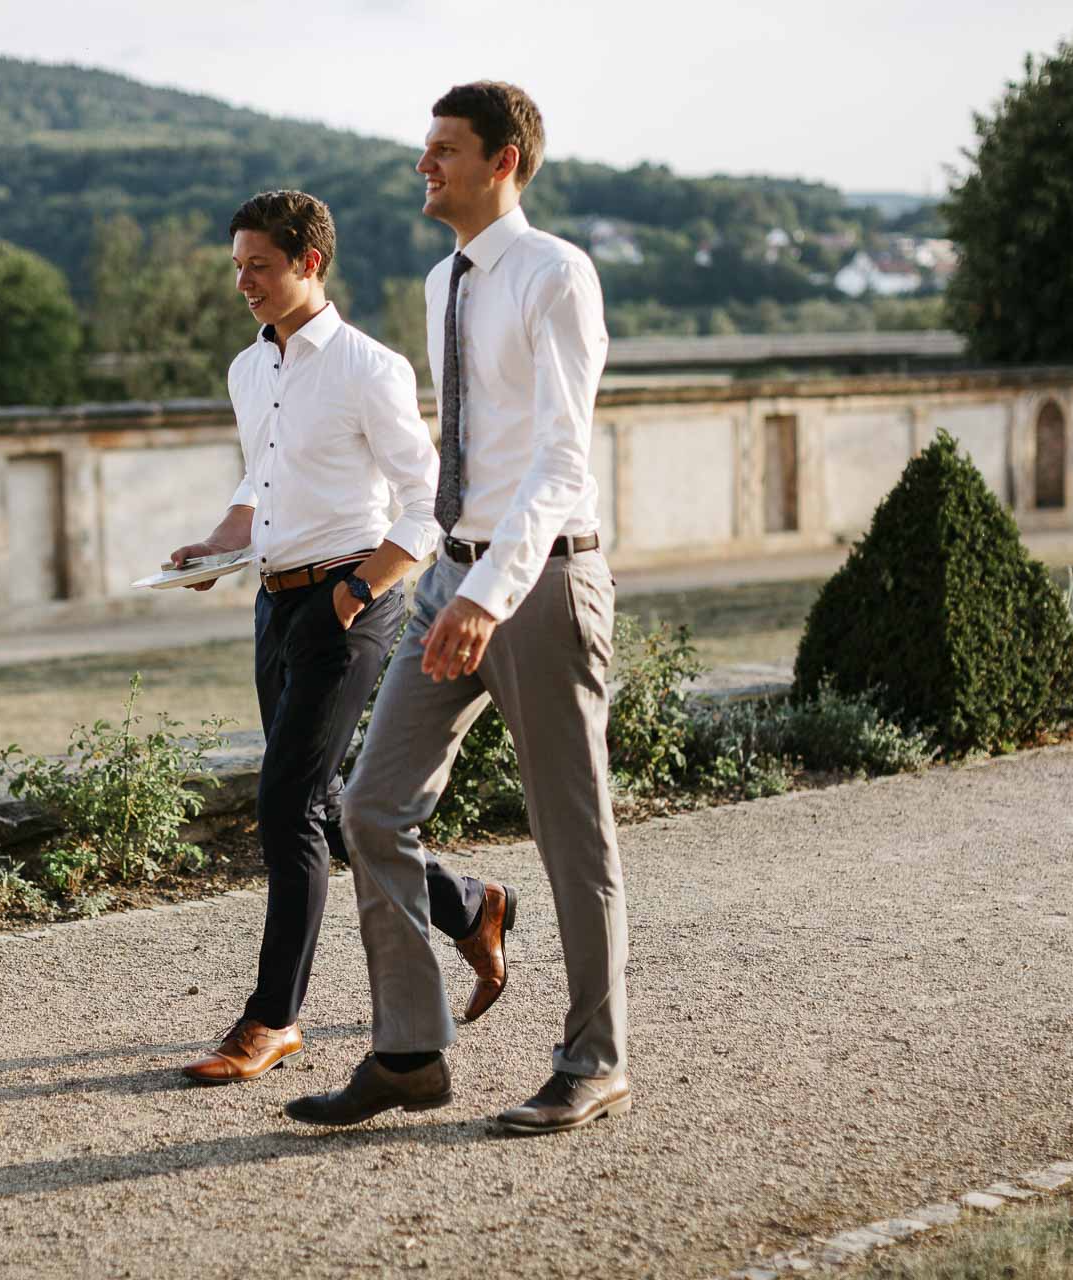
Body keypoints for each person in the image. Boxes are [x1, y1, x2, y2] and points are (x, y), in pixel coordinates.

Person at [285, 84, 628, 1135]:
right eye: (424, 149)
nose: (424, 166)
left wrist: (487, 592)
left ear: (503, 160)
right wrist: (446, 574)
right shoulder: (445, 278)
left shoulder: (557, 273)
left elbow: (561, 459)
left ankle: (595, 1061)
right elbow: (467, 448)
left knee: (572, 834)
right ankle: (409, 1052)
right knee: (369, 809)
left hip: (541, 582)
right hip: (455, 572)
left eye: (444, 150)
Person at [171, 189, 518, 1086]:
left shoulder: (370, 368)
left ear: (309, 262)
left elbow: (428, 502)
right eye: (238, 266)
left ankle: (272, 1019)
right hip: (275, 602)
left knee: (285, 806)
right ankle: (469, 905)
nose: (244, 282)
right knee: (319, 804)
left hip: (354, 601)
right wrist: (216, 546)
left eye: (260, 266)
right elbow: (260, 483)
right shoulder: (248, 370)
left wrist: (359, 589)